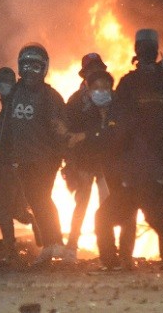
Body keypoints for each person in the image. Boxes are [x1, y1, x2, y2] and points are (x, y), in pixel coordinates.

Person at [95, 29, 163, 269]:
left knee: (154, 214)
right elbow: (120, 125)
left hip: (149, 164)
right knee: (151, 215)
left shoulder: (161, 82)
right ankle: (120, 260)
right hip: (138, 165)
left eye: (150, 48)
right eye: (144, 48)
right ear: (138, 51)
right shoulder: (131, 83)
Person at [0, 43, 74, 265]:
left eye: (35, 66)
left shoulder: (50, 97)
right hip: (22, 159)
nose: (29, 72)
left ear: (44, 69)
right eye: (25, 66)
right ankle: (48, 245)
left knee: (42, 198)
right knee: (34, 201)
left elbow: (61, 130)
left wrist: (66, 157)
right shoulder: (15, 93)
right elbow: (3, 124)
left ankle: (56, 241)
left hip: (46, 158)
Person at [62, 53, 111, 262]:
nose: (94, 72)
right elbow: (67, 135)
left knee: (107, 203)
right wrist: (70, 163)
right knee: (82, 203)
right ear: (85, 74)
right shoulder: (74, 101)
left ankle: (107, 248)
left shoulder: (108, 96)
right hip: (83, 160)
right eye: (91, 69)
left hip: (105, 159)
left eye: (97, 69)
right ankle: (71, 247)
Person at [0, 66, 35, 261]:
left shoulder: (16, 103)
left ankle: (11, 251)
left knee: (3, 208)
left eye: (5, 81)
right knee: (18, 210)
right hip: (9, 163)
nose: (1, 85)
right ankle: (41, 228)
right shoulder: (7, 104)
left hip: (13, 163)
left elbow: (12, 133)